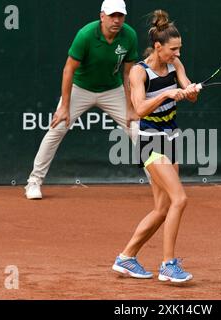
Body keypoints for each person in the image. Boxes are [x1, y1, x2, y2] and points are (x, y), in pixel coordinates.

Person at [111, 10, 200, 283]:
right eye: (173, 49)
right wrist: (166, 93)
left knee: (162, 209)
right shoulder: (140, 72)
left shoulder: (175, 65)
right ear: (158, 46)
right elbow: (138, 109)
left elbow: (187, 91)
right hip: (150, 141)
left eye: (180, 49)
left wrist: (191, 91)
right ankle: (168, 265)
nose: (177, 53)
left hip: (171, 139)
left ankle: (126, 257)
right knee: (180, 199)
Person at [24, 0, 139, 199]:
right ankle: (33, 182)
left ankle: (159, 182)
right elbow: (69, 69)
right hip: (81, 89)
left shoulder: (129, 35)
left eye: (120, 16)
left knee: (138, 129)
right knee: (57, 128)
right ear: (102, 16)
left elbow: (128, 74)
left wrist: (130, 107)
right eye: (112, 15)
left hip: (112, 89)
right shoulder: (85, 35)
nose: (116, 20)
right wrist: (65, 107)